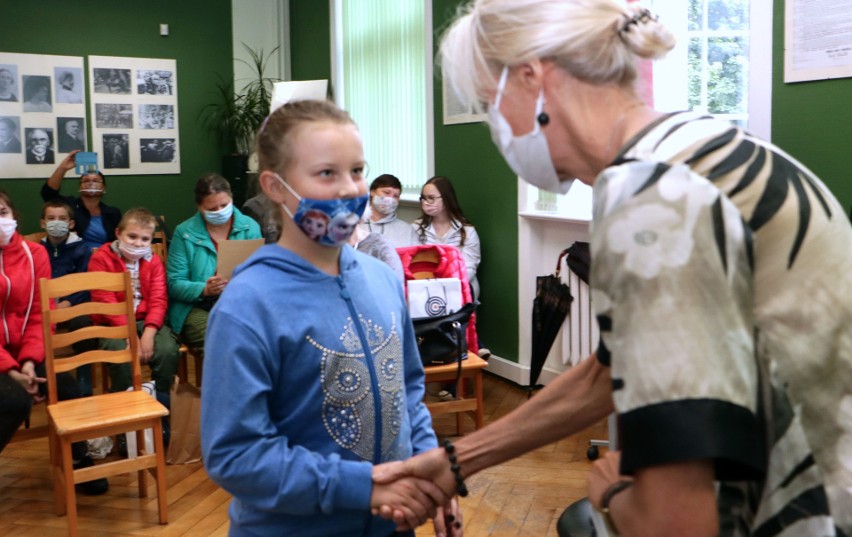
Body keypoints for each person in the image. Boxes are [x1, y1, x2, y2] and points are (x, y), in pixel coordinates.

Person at [372, 1, 852, 536]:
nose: (496, 129)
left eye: (490, 104)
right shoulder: (696, 148)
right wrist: (455, 463)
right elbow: (607, 369)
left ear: (531, 78)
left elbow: (676, 522)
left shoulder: (648, 195)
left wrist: (613, 492)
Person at [200, 99, 460, 537]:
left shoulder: (382, 278)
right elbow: (235, 454)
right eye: (326, 173)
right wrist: (365, 489)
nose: (348, 189)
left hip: (393, 525)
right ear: (276, 186)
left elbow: (410, 392)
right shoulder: (248, 304)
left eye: (356, 170)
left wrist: (431, 469)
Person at [0, 191, 108, 494]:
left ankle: (78, 459)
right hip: (2, 359)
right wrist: (12, 371)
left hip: (27, 351)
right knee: (14, 401)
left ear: (14, 216)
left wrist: (31, 361)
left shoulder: (35, 255)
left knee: (68, 388)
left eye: (2, 212)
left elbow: (39, 313)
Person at [166, 174, 261, 356]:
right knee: (222, 343)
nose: (220, 211)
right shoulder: (184, 233)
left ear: (232, 198)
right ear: (199, 207)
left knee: (263, 340)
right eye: (212, 208)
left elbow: (261, 274)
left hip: (240, 302)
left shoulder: (250, 227)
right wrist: (204, 289)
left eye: (224, 205)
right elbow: (174, 284)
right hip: (196, 306)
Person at [88, 208, 180, 397]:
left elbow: (158, 300)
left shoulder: (153, 261)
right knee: (120, 355)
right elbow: (106, 301)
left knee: (167, 351)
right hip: (113, 322)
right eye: (132, 236)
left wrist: (149, 332)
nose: (138, 243)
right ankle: (126, 406)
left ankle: (161, 403)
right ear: (118, 233)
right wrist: (130, 336)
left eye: (145, 239)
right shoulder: (101, 258)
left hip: (146, 319)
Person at [39, 200, 95, 395]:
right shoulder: (37, 250)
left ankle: (83, 379)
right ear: (43, 223)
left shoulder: (82, 249)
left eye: (62, 219)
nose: (56, 222)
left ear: (70, 224)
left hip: (73, 303)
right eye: (51, 218)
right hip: (44, 305)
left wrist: (67, 303)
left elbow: (85, 282)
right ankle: (43, 381)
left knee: (84, 324)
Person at [413, 176, 481, 299]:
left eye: (431, 198)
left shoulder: (467, 231)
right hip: (425, 291)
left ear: (446, 199)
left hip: (460, 291)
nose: (425, 202)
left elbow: (470, 267)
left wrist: (445, 285)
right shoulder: (415, 228)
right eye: (423, 198)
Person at [42, 150, 122, 251]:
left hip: (103, 257)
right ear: (79, 187)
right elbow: (48, 194)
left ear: (104, 188)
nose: (91, 183)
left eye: (96, 180)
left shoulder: (113, 213)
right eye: (86, 180)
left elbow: (121, 238)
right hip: (75, 257)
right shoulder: (69, 205)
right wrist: (63, 168)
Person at [360, 174, 418, 248]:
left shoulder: (407, 230)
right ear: (372, 192)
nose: (390, 199)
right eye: (386, 193)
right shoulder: (355, 224)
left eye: (396, 196)